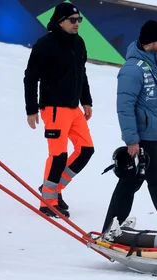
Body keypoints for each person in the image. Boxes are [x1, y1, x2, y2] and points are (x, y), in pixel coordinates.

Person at [101, 20, 157, 233]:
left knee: (131, 182)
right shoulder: (132, 69)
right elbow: (124, 107)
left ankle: (111, 229)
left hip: (150, 135)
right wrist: (132, 140)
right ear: (151, 42)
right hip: (142, 138)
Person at [23, 2, 95, 218]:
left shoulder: (79, 43)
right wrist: (31, 109)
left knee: (85, 150)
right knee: (58, 155)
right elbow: (30, 78)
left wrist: (86, 101)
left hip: (74, 109)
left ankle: (53, 188)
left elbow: (81, 74)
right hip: (54, 109)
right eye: (73, 20)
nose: (77, 24)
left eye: (79, 20)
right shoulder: (45, 44)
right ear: (60, 21)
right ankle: (47, 201)